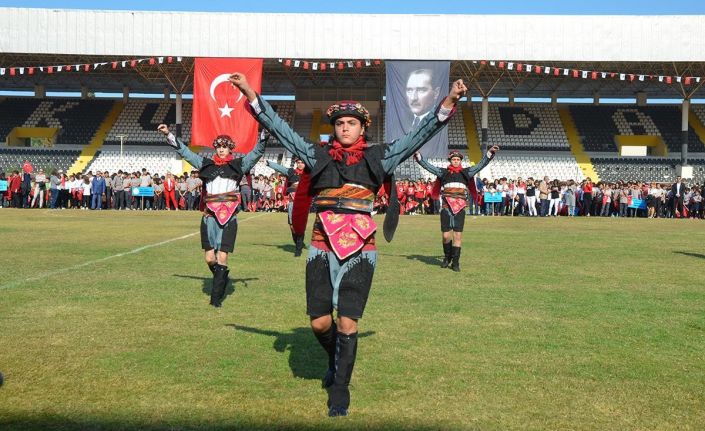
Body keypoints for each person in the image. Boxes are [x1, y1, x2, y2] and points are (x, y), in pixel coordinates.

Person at [231, 72, 466, 417]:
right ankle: (336, 360)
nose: (344, 128)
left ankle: (340, 387)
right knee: (320, 323)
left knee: (347, 323)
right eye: (339, 122)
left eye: (351, 123)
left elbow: (418, 136)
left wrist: (448, 102)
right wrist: (252, 95)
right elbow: (282, 130)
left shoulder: (380, 157)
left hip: (362, 250)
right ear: (333, 127)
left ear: (362, 128)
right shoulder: (316, 155)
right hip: (321, 246)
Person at [157, 123, 266, 307]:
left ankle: (215, 300)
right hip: (209, 215)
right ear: (215, 147)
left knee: (222, 257)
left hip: (229, 216)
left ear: (230, 148)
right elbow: (186, 153)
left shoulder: (238, 165)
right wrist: (168, 134)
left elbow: (256, 154)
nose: (221, 150)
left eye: (225, 147)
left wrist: (263, 136)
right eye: (219, 146)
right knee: (209, 258)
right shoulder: (205, 164)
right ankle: (222, 278)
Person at [414, 147, 498, 271]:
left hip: (460, 209)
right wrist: (419, 157)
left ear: (460, 161)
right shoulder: (443, 173)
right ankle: (447, 257)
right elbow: (429, 167)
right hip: (446, 208)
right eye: (454, 159)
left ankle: (456, 262)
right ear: (450, 160)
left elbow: (480, 166)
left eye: (458, 159)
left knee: (457, 236)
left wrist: (490, 153)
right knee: (446, 236)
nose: (456, 161)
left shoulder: (466, 173)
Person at [266, 156, 308, 256]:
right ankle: (299, 242)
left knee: (300, 225)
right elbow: (280, 168)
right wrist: (269, 163)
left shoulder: (308, 174)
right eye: (299, 162)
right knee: (292, 225)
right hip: (292, 202)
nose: (300, 164)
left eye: (302, 162)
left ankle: (298, 249)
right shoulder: (291, 172)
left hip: (302, 202)